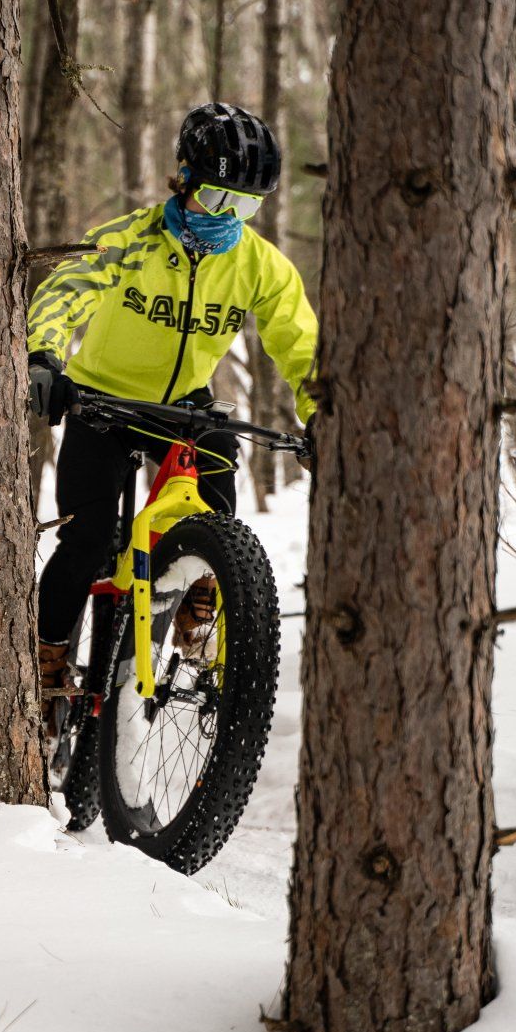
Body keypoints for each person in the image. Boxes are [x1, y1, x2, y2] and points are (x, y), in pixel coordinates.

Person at [25, 102, 318, 699]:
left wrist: (321, 416)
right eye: (217, 200)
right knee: (86, 537)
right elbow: (67, 290)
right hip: (99, 402)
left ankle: (201, 599)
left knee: (219, 495)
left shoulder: (262, 266)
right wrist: (44, 355)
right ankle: (44, 660)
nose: (228, 217)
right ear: (183, 179)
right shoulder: (131, 238)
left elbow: (302, 346)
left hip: (184, 406)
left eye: (246, 205)